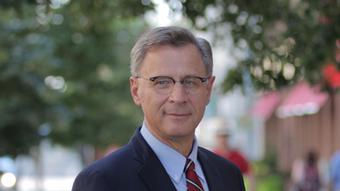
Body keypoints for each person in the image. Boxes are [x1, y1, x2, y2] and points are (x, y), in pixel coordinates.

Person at [71, 26, 245, 191]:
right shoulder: (103, 182)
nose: (178, 97)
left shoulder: (229, 176)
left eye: (191, 81)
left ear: (208, 89)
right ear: (136, 90)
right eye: (162, 82)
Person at [212, 127, 255, 191]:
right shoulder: (211, 156)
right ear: (217, 138)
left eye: (225, 136)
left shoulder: (238, 156)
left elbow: (249, 173)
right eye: (221, 137)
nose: (223, 139)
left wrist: (252, 188)